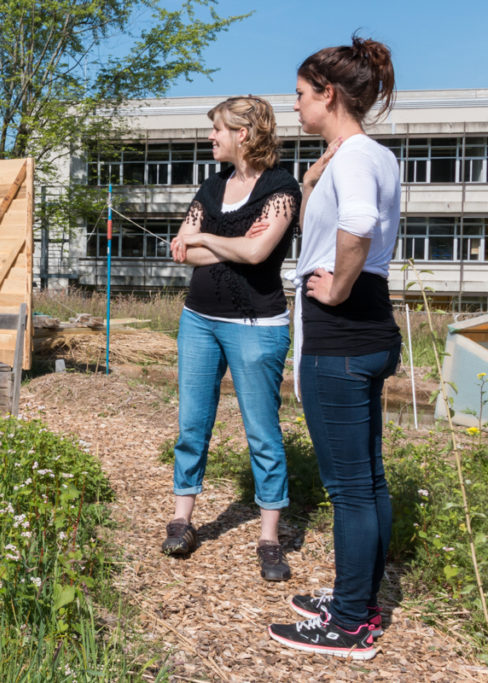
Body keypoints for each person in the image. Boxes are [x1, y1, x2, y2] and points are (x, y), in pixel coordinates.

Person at [267, 36, 400, 660]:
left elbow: (358, 227)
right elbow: (349, 220)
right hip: (372, 330)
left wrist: (338, 285)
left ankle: (349, 624)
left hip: (340, 333)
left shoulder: (353, 159)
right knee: (368, 480)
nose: (294, 106)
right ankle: (360, 601)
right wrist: (313, 180)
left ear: (329, 94)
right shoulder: (369, 155)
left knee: (349, 489)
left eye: (300, 95)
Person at [162, 97, 301, 582]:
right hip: (198, 319)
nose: (211, 137)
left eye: (217, 129)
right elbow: (183, 248)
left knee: (262, 433)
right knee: (191, 425)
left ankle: (268, 538)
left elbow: (260, 251)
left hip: (256, 326)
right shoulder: (213, 184)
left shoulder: (281, 188)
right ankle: (182, 519)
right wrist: (227, 247)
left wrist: (212, 242)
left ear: (243, 133)